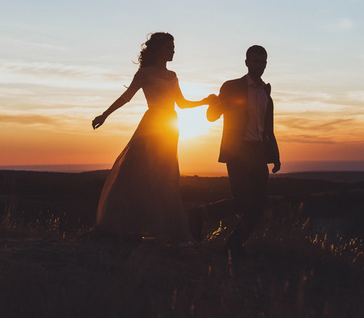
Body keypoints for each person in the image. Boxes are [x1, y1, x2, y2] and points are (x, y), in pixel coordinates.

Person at [91, 32, 216, 244]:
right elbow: (126, 97)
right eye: (169, 47)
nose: (173, 51)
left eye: (173, 47)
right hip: (152, 125)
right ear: (158, 50)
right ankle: (130, 225)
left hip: (170, 127)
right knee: (140, 174)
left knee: (166, 176)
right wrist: (105, 114)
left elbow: (182, 103)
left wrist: (204, 101)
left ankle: (165, 229)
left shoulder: (173, 76)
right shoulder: (145, 74)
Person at [189, 45, 281, 257]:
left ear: (266, 64)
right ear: (247, 62)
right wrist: (214, 102)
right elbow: (212, 116)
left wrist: (274, 155)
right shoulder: (231, 87)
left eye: (262, 62)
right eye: (255, 61)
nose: (259, 65)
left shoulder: (266, 91)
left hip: (258, 152)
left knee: (258, 205)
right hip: (238, 151)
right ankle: (198, 215)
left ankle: (233, 246)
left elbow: (268, 127)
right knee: (242, 201)